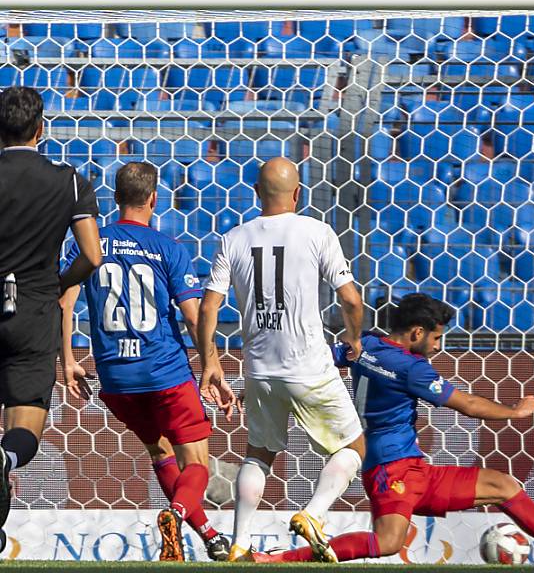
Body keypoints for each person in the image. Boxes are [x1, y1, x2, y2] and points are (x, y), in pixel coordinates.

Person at [250, 293, 534, 565]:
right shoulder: (412, 368)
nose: (437, 346)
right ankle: (280, 558)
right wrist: (516, 412)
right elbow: (468, 405)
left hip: (409, 468)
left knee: (501, 485)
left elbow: (319, 359)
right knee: (387, 543)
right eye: (436, 337)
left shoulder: (365, 345)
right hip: (392, 471)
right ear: (417, 332)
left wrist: (264, 382)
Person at [58, 162, 232, 561]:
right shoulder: (168, 247)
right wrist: (211, 364)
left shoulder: (91, 242)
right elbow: (192, 314)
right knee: (197, 464)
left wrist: (67, 359)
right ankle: (176, 513)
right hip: (165, 372)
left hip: (117, 379)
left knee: (160, 451)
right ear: (154, 199)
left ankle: (207, 536)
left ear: (115, 199)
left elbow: (64, 301)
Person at [198, 157, 366, 562]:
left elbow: (208, 309)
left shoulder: (233, 238)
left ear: (256, 193)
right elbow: (350, 298)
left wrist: (211, 362)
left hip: (260, 368)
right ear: (298, 193)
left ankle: (239, 543)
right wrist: (354, 336)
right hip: (308, 365)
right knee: (354, 446)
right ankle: (313, 513)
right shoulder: (317, 232)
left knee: (258, 451)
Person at [0, 86, 102, 550]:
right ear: (42, 129)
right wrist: (59, 284)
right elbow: (92, 255)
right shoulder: (71, 181)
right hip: (35, 309)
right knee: (24, 429)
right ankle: (6, 459)